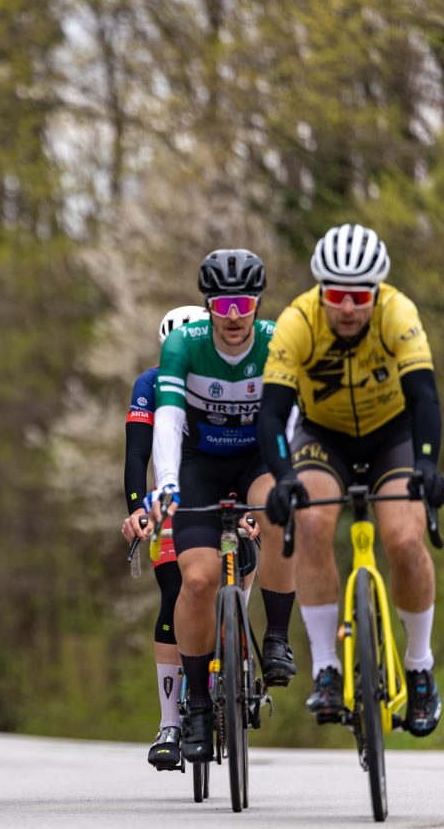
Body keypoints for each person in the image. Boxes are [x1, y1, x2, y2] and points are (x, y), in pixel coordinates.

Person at [258, 223, 444, 737]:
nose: (347, 308)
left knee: (405, 539)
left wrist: (427, 464)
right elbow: (271, 412)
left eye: (360, 296)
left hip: (393, 434)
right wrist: (283, 477)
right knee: (312, 522)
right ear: (321, 289)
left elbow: (425, 398)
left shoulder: (398, 313)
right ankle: (327, 666)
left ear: (377, 291)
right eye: (337, 295)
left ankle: (419, 667)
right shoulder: (298, 320)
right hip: (324, 436)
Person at [145, 250, 298, 763]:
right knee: (196, 581)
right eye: (222, 304)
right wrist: (167, 484)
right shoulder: (183, 345)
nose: (233, 315)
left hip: (258, 455)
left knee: (279, 511)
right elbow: (168, 418)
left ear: (257, 304)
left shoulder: (278, 340)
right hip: (200, 465)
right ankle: (197, 708)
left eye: (243, 304)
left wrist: (288, 474)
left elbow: (291, 415)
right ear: (208, 305)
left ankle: (276, 637)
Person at [120, 304, 207, 769]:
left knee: (239, 568)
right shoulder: (151, 384)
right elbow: (137, 454)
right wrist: (137, 507)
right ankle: (170, 721)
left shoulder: (229, 378)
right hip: (173, 497)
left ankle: (236, 650)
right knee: (174, 591)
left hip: (227, 487)